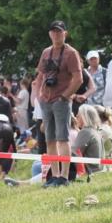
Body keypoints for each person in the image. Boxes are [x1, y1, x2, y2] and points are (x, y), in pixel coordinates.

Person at [35, 20, 83, 187]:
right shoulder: (46, 52)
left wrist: (65, 96)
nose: (56, 34)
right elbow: (40, 75)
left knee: (62, 138)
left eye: (59, 32)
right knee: (49, 139)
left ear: (65, 33)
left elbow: (78, 78)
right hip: (46, 100)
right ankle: (54, 176)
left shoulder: (71, 53)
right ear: (50, 34)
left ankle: (64, 176)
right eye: (53, 31)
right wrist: (39, 95)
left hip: (61, 100)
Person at [73, 104, 104, 175]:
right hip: (96, 170)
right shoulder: (94, 131)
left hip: (88, 171)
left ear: (85, 117)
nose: (76, 117)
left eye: (78, 115)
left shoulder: (85, 132)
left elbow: (73, 153)